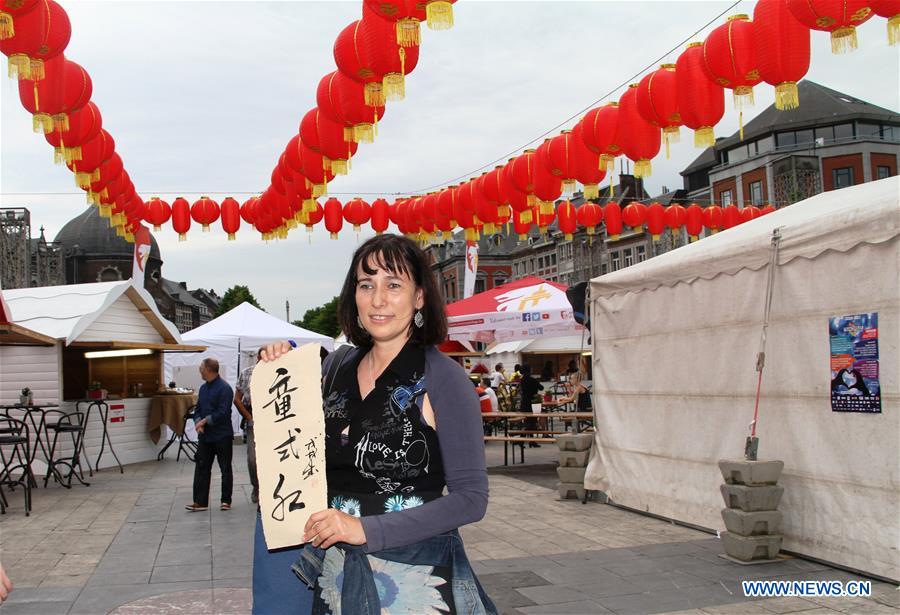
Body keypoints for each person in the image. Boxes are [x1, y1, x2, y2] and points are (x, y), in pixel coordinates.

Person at [254, 234, 496, 614]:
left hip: (415, 579)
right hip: (334, 578)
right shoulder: (335, 368)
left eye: (394, 285)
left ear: (419, 297)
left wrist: (366, 529)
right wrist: (280, 364)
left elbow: (471, 499)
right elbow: (294, 449)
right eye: (366, 285)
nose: (378, 299)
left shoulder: (443, 378)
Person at [185, 358, 235, 513]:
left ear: (208, 369)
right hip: (205, 436)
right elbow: (198, 409)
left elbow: (223, 412)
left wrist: (205, 421)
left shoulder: (225, 388)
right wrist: (198, 421)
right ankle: (200, 502)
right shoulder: (203, 388)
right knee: (201, 467)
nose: (199, 370)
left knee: (225, 468)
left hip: (222, 435)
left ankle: (225, 500)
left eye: (201, 367)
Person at [235, 348, 264, 504]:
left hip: (274, 419)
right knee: (253, 458)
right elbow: (237, 398)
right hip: (253, 418)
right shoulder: (247, 373)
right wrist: (249, 416)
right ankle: (257, 487)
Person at [518, 364, 544, 448]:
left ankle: (523, 440)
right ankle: (531, 441)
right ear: (529, 370)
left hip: (524, 403)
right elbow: (541, 388)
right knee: (532, 422)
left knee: (527, 422)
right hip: (533, 403)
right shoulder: (533, 380)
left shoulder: (522, 380)